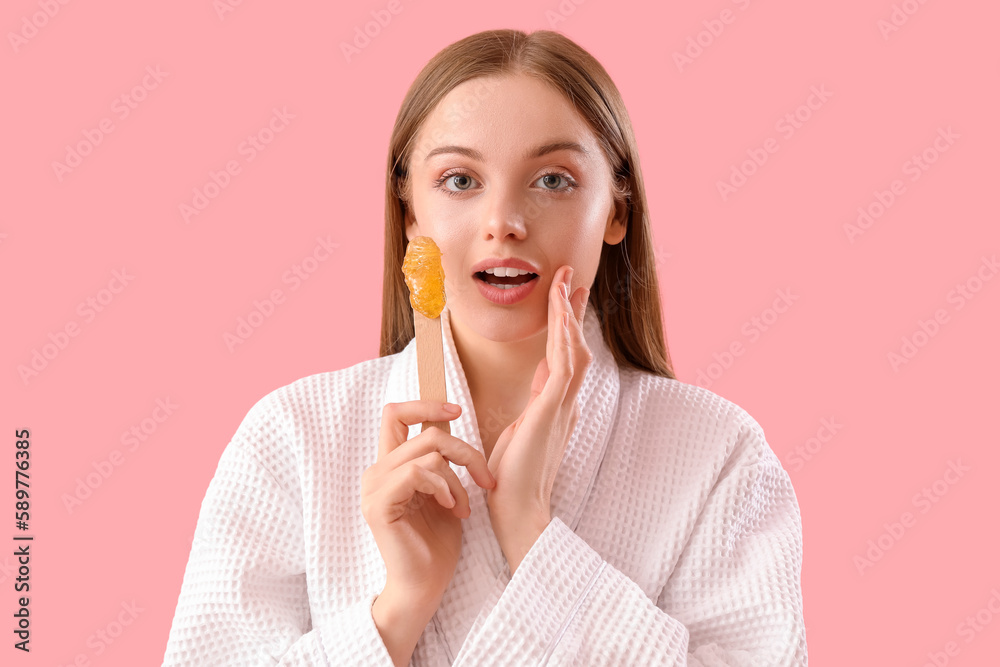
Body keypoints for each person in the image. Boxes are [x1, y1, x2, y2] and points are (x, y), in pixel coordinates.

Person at [162, 29, 807, 667]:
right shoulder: (292, 440)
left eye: (553, 180)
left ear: (617, 210)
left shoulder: (722, 455)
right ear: (409, 211)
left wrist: (532, 531)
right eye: (460, 181)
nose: (504, 221)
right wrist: (400, 609)